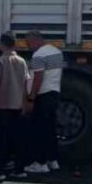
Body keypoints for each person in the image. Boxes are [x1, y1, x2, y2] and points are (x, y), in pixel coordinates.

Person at [0, 34, 29, 180]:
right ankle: (19, 170)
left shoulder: (0, 61)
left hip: (1, 104)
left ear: (2, 44)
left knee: (0, 139)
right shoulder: (22, 61)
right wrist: (24, 102)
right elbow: (26, 84)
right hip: (17, 104)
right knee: (17, 139)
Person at [24, 30, 64, 174]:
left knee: (39, 130)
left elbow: (38, 77)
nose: (28, 47)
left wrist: (31, 97)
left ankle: (40, 163)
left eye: (28, 43)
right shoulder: (57, 52)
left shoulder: (39, 55)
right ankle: (53, 160)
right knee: (50, 129)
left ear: (35, 40)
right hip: (54, 93)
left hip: (43, 96)